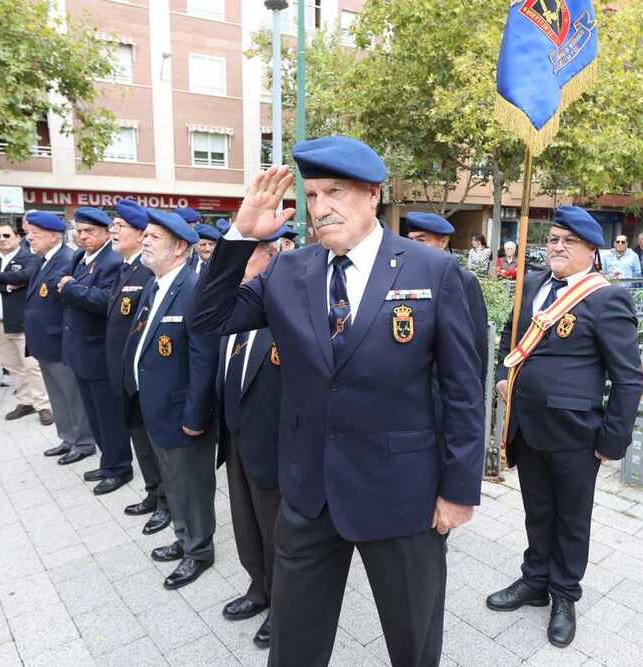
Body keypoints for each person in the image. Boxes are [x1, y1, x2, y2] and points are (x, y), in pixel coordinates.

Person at [189, 136, 484, 667]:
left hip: (403, 495)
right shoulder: (288, 270)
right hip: (309, 492)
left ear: (373, 196)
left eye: (336, 193)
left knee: (413, 641)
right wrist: (240, 235)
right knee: (295, 645)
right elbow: (208, 321)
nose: (320, 208)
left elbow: (464, 390)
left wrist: (458, 490)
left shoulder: (432, 272)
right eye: (313, 195)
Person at [487, 206, 643, 649]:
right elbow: (510, 337)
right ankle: (534, 580)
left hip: (576, 434)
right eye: (553, 238)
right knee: (537, 511)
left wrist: (610, 441)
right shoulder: (532, 283)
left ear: (591, 250)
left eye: (567, 241)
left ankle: (564, 595)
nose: (556, 246)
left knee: (571, 519)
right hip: (527, 425)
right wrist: (503, 372)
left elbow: (628, 377)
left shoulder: (605, 298)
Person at [124, 209, 220, 589]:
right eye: (144, 235)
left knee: (192, 486)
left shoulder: (194, 288)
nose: (144, 241)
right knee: (173, 482)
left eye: (153, 237)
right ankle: (183, 538)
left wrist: (196, 416)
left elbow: (203, 360)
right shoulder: (154, 284)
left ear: (180, 247)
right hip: (155, 407)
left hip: (184, 413)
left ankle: (199, 551)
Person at [216, 230, 285, 648]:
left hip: (275, 443)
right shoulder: (234, 309)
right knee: (245, 523)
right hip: (236, 435)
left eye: (249, 257)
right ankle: (257, 587)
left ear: (271, 256)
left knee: (278, 533)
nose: (240, 269)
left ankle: (283, 605)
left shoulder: (281, 309)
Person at [57, 207, 133, 495]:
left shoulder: (111, 261)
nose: (83, 236)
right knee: (93, 414)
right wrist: (69, 286)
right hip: (79, 350)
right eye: (79, 230)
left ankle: (119, 467)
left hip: (100, 352)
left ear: (105, 233)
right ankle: (107, 461)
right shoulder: (79, 257)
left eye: (90, 231)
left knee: (109, 416)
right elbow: (64, 282)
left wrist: (71, 288)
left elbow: (106, 301)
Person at [106, 200, 171, 535]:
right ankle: (152, 493)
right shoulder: (126, 268)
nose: (113, 231)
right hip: (128, 375)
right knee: (140, 443)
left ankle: (165, 502)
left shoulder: (150, 272)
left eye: (121, 227)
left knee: (155, 445)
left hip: (149, 379)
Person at [21, 211, 97, 464]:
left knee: (71, 394)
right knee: (57, 394)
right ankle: (67, 437)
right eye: (29, 233)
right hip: (45, 342)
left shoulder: (65, 259)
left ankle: (84, 442)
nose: (29, 238)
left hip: (60, 342)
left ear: (54, 236)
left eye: (35, 234)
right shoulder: (43, 260)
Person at [0, 222, 52, 424]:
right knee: (13, 366)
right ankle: (25, 402)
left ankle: (43, 406)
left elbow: (26, 276)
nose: (2, 240)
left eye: (6, 235)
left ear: (17, 237)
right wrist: (8, 286)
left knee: (31, 365)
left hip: (21, 322)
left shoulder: (31, 258)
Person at [405, 212, 488, 387]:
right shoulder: (400, 280)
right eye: (409, 240)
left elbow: (476, 347)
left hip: (444, 391)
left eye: (421, 240)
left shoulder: (465, 282)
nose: (412, 247)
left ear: (443, 242)